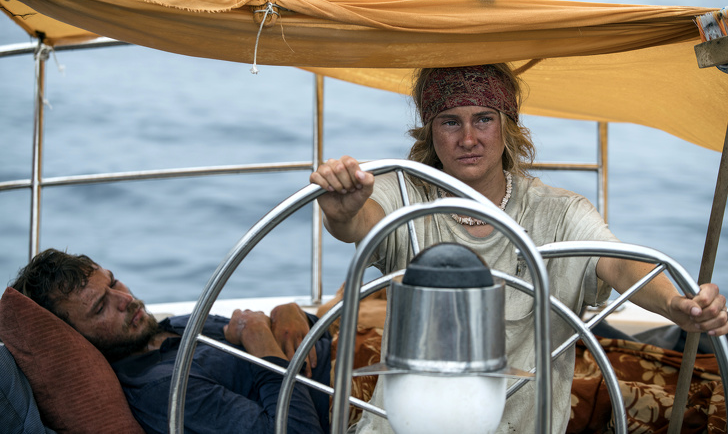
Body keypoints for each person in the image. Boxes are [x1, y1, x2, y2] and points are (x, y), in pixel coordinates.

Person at [309, 63, 728, 433]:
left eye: (483, 119)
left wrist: (675, 304)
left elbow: (620, 264)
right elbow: (361, 222)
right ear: (430, 131)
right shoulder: (402, 195)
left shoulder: (559, 213)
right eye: (450, 122)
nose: (468, 138)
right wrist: (343, 209)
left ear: (507, 126)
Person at [10, 248, 332, 434]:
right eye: (100, 307)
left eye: (113, 282)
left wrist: (290, 314)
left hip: (339, 342)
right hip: (346, 399)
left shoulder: (173, 326)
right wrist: (263, 347)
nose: (125, 299)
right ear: (78, 338)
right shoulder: (163, 389)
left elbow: (269, 330)